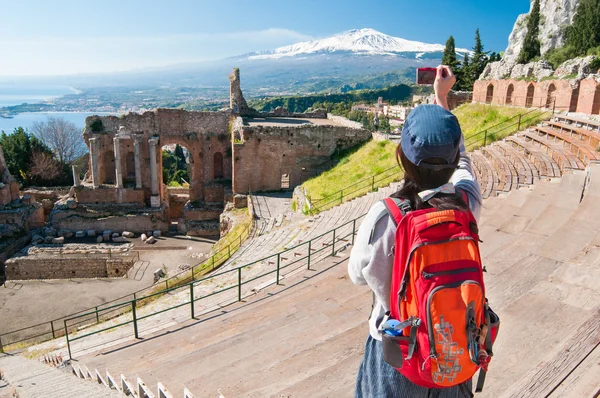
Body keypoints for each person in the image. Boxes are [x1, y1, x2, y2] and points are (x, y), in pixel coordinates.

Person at [348, 65, 483, 397]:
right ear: (452, 162)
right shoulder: (466, 203)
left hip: (398, 354)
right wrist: (442, 98)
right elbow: (464, 160)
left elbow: (357, 275)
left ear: (402, 156)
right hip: (453, 345)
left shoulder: (386, 216)